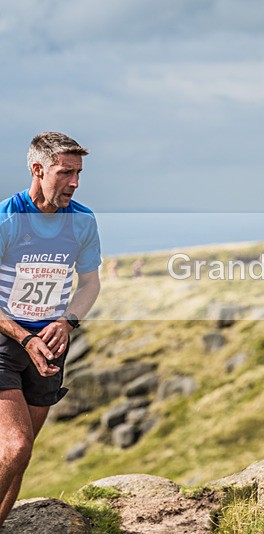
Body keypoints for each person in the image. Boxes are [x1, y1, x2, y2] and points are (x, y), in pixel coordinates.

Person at [0, 132, 101, 526]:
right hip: (7, 340)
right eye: (65, 172)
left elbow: (90, 283)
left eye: (78, 173)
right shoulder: (9, 218)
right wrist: (24, 337)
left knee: (20, 457)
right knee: (15, 445)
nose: (74, 182)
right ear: (37, 169)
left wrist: (66, 320)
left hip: (51, 347)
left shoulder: (82, 221)